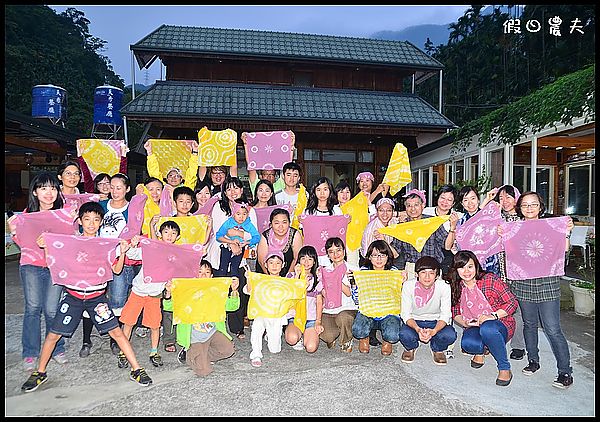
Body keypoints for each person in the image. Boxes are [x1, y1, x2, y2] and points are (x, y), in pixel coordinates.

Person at [20, 202, 152, 392]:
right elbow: (53, 264)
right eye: (87, 219)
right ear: (80, 221)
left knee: (117, 332)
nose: (91, 223)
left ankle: (136, 369)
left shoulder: (107, 245)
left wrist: (122, 253)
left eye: (96, 220)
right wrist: (45, 246)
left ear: (101, 223)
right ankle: (40, 372)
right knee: (52, 335)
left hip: (97, 298)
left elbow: (116, 269)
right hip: (72, 297)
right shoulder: (70, 242)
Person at [505, 191, 575, 389]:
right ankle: (533, 361)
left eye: (533, 204)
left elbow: (564, 249)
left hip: (547, 283)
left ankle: (565, 371)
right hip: (524, 283)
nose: (529, 208)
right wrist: (504, 235)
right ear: (520, 208)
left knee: (552, 328)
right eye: (525, 205)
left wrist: (566, 232)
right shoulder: (514, 228)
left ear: (540, 207)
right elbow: (509, 250)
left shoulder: (551, 225)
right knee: (529, 324)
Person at [7, 172, 69, 371]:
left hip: (55, 267)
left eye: (52, 188)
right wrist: (15, 232)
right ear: (35, 192)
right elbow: (20, 242)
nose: (49, 193)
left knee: (52, 310)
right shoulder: (25, 217)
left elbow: (71, 241)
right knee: (33, 308)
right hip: (31, 265)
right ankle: (30, 353)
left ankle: (56, 348)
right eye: (43, 188)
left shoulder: (65, 215)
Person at [116, 221, 182, 369]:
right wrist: (133, 244)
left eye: (173, 233)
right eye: (166, 232)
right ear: (159, 234)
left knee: (154, 325)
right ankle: (122, 352)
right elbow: (133, 254)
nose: (169, 236)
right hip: (138, 292)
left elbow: (184, 266)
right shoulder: (151, 247)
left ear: (177, 237)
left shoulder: (176, 254)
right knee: (128, 322)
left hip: (155, 295)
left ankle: (154, 352)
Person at [447, 250, 519, 387]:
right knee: (468, 344)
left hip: (499, 323)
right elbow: (455, 310)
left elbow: (512, 302)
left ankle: (504, 367)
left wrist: (492, 316)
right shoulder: (456, 285)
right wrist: (465, 322)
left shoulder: (489, 279)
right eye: (461, 267)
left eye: (470, 266)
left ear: (476, 266)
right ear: (456, 270)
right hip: (475, 325)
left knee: (488, 329)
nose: (466, 271)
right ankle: (482, 350)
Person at [162, 260, 240, 376]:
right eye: (199, 272)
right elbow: (168, 306)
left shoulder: (215, 292)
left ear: (212, 276)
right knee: (204, 371)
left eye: (207, 272)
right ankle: (188, 354)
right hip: (194, 338)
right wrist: (168, 293)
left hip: (212, 332)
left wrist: (234, 290)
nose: (203, 275)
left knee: (228, 350)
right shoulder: (186, 292)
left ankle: (201, 355)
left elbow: (232, 306)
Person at [98, 173, 141, 355]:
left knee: (119, 297)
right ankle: (112, 332)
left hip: (122, 259)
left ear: (127, 189)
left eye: (119, 187)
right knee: (104, 297)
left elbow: (139, 229)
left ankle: (118, 336)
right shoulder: (100, 206)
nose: (114, 191)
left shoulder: (133, 209)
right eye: (111, 187)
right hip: (100, 258)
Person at [208, 176, 257, 339]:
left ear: (242, 190)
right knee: (219, 288)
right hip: (218, 252)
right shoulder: (218, 207)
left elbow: (253, 234)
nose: (232, 191)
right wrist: (231, 243)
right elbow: (217, 231)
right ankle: (216, 324)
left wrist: (238, 239)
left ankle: (237, 327)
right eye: (228, 188)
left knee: (238, 287)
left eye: (236, 188)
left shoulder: (250, 209)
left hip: (240, 253)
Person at [483, 184, 526, 361]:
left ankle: (518, 346)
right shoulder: (496, 217)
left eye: (509, 196)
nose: (505, 201)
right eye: (501, 198)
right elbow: (479, 219)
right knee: (498, 307)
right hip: (498, 270)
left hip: (520, 272)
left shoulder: (525, 219)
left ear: (517, 198)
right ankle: (496, 339)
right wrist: (487, 199)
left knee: (518, 310)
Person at [399, 256, 456, 366]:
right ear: (416, 274)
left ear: (436, 275)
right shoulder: (408, 285)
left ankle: (437, 349)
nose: (427, 277)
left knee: (450, 335)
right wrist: (417, 329)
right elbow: (405, 314)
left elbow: (445, 315)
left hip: (436, 320)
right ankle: (410, 348)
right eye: (423, 272)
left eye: (431, 273)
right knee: (404, 334)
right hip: (415, 320)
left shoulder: (444, 286)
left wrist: (433, 331)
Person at [352, 240, 402, 356]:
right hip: (368, 312)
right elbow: (357, 299)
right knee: (358, 331)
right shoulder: (363, 273)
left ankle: (387, 341)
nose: (379, 259)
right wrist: (354, 283)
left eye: (382, 255)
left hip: (389, 312)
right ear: (369, 257)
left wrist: (403, 282)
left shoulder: (394, 272)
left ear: (387, 257)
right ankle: (364, 338)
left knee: (393, 335)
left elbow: (399, 297)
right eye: (375, 255)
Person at [392, 189, 449, 280]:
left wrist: (453, 229)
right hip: (411, 269)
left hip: (433, 267)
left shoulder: (432, 222)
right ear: (405, 208)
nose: (413, 208)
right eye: (409, 205)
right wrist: (382, 238)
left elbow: (447, 245)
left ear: (423, 205)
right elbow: (395, 253)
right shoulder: (402, 227)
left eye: (416, 205)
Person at [246, 249, 290, 367]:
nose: (274, 266)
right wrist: (249, 279)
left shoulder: (286, 282)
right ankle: (256, 353)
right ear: (265, 264)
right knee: (257, 325)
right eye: (271, 262)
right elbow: (249, 291)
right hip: (262, 313)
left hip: (276, 317)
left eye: (277, 263)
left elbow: (293, 297)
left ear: (283, 265)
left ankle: (268, 336)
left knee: (275, 349)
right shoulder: (260, 280)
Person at [446, 186, 499, 275]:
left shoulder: (489, 216)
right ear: (462, 204)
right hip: (468, 266)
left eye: (473, 198)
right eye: (465, 200)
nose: (470, 203)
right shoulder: (460, 222)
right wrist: (453, 227)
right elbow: (448, 246)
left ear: (478, 200)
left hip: (489, 263)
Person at [319, 237, 359, 353]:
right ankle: (334, 333)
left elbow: (349, 293)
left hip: (348, 309)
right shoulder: (324, 271)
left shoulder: (353, 270)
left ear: (344, 251)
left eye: (338, 250)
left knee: (343, 317)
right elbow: (321, 291)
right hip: (329, 310)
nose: (335, 254)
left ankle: (346, 340)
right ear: (328, 255)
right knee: (327, 336)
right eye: (331, 252)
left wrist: (335, 280)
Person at [284, 246, 324, 353]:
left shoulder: (317, 279)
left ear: (314, 261)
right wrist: (297, 278)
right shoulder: (291, 276)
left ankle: (307, 335)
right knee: (291, 339)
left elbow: (319, 301)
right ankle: (296, 334)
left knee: (311, 348)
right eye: (303, 258)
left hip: (310, 318)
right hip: (295, 317)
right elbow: (289, 296)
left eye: (310, 259)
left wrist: (318, 321)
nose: (306, 262)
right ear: (298, 260)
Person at [422, 184, 463, 275]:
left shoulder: (458, 217)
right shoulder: (425, 212)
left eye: (449, 200)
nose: (445, 202)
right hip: (428, 254)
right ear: (437, 198)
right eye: (442, 198)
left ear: (453, 203)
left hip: (448, 256)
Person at [216, 200, 260, 278]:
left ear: (247, 214)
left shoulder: (249, 224)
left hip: (240, 248)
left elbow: (257, 237)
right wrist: (231, 242)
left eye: (244, 214)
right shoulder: (228, 223)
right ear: (233, 214)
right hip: (226, 247)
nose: (241, 217)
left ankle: (234, 288)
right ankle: (221, 287)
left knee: (235, 269)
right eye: (238, 214)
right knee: (223, 268)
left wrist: (247, 243)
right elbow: (218, 236)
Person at [256, 208, 303, 276]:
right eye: (276, 223)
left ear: (289, 223)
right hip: (266, 274)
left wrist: (288, 277)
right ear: (271, 224)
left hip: (288, 273)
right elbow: (261, 261)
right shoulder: (265, 236)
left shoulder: (295, 234)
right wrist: (271, 277)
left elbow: (296, 258)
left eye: (284, 222)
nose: (281, 226)